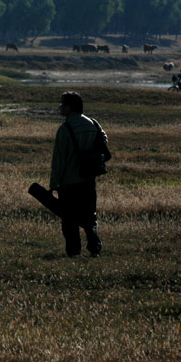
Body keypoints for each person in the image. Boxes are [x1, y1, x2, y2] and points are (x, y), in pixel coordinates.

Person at [50, 91, 112, 257]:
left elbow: (59, 160)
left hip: (69, 182)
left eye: (62, 104)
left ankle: (73, 252)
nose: (60, 107)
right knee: (89, 215)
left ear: (70, 107)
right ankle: (94, 247)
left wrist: (53, 184)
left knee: (69, 220)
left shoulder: (65, 129)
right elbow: (104, 141)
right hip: (88, 179)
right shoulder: (93, 123)